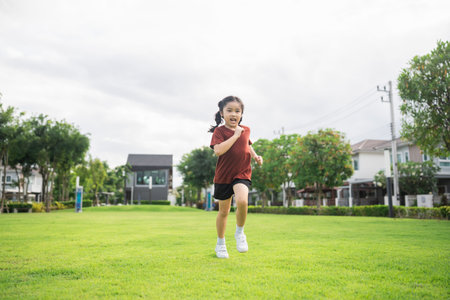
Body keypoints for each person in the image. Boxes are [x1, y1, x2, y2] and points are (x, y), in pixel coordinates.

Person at [209, 96, 263, 259]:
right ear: (222, 113)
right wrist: (235, 136)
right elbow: (218, 151)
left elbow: (247, 144)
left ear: (241, 114)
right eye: (229, 110)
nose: (234, 114)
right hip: (224, 176)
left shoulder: (245, 130)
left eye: (237, 111)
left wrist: (255, 156)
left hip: (242, 172)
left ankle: (240, 233)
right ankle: (220, 244)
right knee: (223, 212)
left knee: (242, 201)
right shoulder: (220, 131)